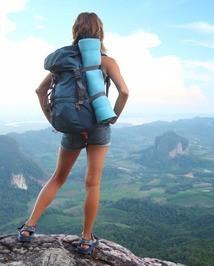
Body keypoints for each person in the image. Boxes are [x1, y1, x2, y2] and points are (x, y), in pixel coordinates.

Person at [16, 12, 129, 254]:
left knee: (58, 177)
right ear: (100, 32)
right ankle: (87, 239)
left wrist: (55, 120)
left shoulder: (64, 63)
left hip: (71, 127)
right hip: (98, 127)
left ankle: (28, 228)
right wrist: (112, 118)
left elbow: (40, 90)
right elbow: (125, 92)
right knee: (93, 183)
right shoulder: (106, 61)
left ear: (75, 31)